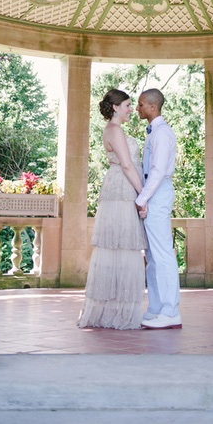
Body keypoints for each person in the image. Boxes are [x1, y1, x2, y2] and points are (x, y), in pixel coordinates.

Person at [77, 89, 147, 330]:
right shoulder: (115, 130)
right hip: (123, 189)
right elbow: (127, 165)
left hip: (119, 187)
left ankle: (116, 308)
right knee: (123, 246)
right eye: (128, 105)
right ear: (116, 107)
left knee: (120, 246)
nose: (131, 110)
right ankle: (120, 312)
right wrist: (142, 196)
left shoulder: (114, 129)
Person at [136, 88, 181, 329]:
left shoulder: (162, 133)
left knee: (163, 254)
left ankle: (171, 311)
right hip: (153, 193)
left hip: (158, 192)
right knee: (152, 256)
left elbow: (158, 170)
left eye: (141, 105)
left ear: (153, 107)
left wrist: (142, 198)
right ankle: (156, 308)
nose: (137, 109)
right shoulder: (154, 132)